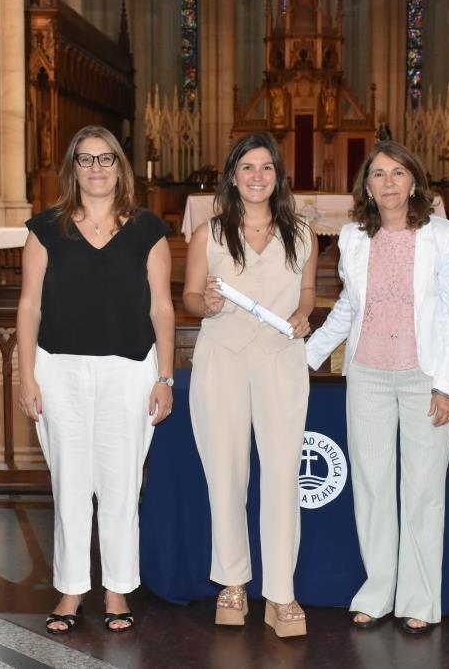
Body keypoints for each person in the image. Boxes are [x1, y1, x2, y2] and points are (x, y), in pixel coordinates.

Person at [305, 140, 449, 634]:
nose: (389, 182)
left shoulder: (442, 235)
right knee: (373, 486)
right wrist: (306, 355)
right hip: (368, 374)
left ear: (414, 181)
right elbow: (349, 307)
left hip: (424, 376)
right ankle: (378, 591)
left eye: (398, 172)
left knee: (422, 489)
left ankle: (420, 598)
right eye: (378, 174)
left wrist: (447, 385)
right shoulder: (354, 236)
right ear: (368, 186)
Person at [17, 125, 174, 635]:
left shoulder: (148, 229)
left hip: (129, 369)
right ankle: (70, 589)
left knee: (121, 484)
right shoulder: (46, 228)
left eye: (105, 158)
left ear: (119, 166)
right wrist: (26, 376)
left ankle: (117, 588)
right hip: (59, 368)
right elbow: (29, 305)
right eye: (85, 159)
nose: (96, 168)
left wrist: (165, 376)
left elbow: (162, 307)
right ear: (73, 169)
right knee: (70, 483)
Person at [183, 131, 317, 638]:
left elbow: (308, 290)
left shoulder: (302, 233)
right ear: (233, 176)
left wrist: (304, 313)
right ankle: (233, 582)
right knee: (226, 473)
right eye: (247, 167)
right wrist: (205, 303)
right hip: (223, 357)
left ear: (278, 176)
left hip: (281, 358)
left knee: (282, 475)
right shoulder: (209, 234)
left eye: (266, 167)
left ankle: (281, 592)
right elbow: (190, 296)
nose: (257, 176)